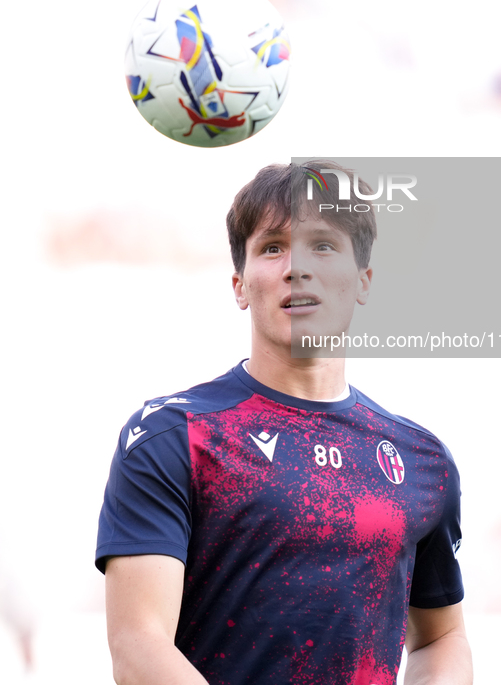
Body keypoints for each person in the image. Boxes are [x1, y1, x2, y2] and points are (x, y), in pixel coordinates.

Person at [96, 160, 472, 685]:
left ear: (363, 281)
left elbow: (440, 637)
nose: (296, 266)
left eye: (324, 245)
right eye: (272, 247)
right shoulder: (172, 437)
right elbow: (138, 645)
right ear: (239, 285)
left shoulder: (420, 459)